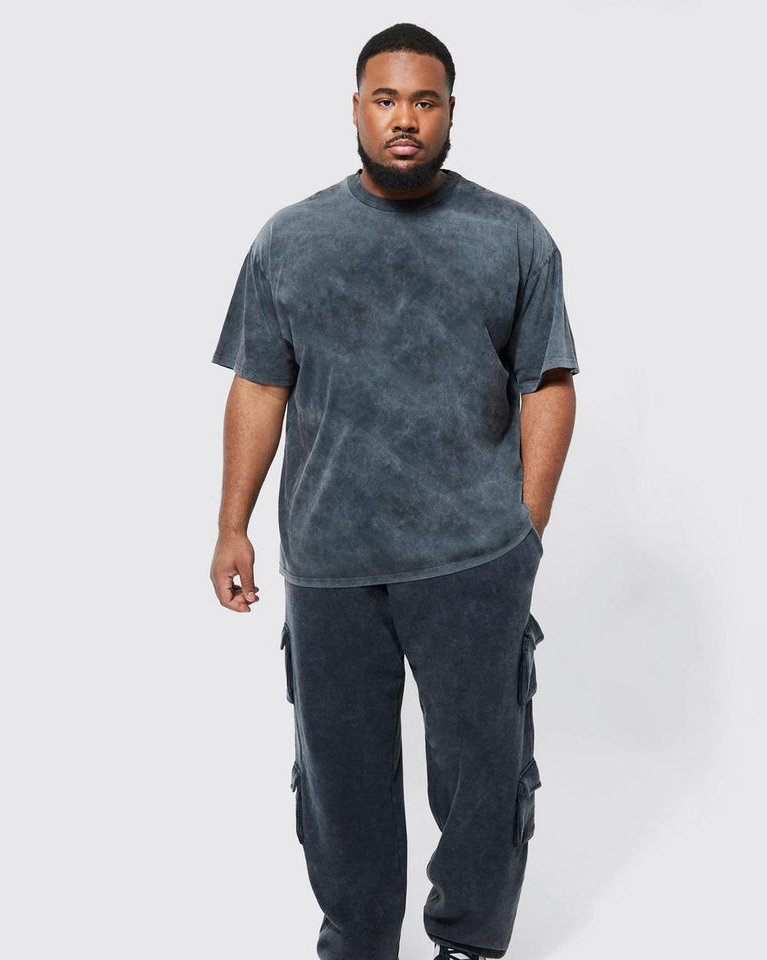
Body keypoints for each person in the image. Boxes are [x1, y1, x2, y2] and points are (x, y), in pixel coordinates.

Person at [209, 22, 579, 960]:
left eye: (424, 100)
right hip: (330, 563)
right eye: (386, 99)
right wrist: (231, 525)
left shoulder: (512, 236)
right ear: (356, 109)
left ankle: (468, 944)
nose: (404, 119)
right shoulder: (291, 240)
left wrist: (525, 527)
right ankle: (359, 943)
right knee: (339, 785)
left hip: (472, 559)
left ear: (451, 111)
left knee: (483, 775)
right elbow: (259, 386)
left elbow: (547, 381)